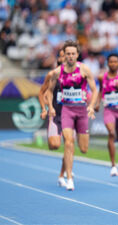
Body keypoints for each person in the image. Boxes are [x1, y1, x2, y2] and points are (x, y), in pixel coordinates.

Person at [47, 40, 98, 191]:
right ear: (64, 55)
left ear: (77, 55)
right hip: (67, 110)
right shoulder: (57, 72)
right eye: (67, 53)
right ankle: (69, 178)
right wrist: (50, 106)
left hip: (82, 111)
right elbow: (49, 90)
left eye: (73, 54)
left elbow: (94, 90)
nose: (70, 56)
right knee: (68, 143)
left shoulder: (84, 70)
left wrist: (91, 106)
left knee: (83, 148)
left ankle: (68, 171)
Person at [95, 53, 118, 176]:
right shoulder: (102, 77)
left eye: (115, 62)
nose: (113, 64)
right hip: (108, 110)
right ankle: (113, 165)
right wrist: (97, 103)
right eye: (110, 62)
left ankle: (117, 137)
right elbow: (101, 91)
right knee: (111, 133)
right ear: (107, 63)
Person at [38, 49, 69, 187]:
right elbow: (42, 92)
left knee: (69, 145)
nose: (66, 58)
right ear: (58, 59)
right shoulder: (52, 74)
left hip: (69, 115)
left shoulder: (75, 74)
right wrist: (44, 108)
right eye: (63, 56)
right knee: (55, 145)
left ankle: (63, 174)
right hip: (55, 115)